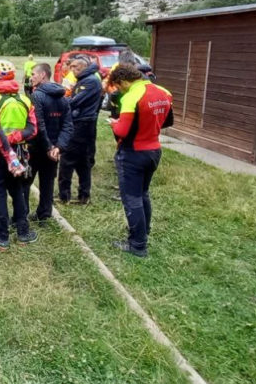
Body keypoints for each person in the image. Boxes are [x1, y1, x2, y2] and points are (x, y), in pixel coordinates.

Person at [107, 64, 174, 258]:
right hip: (154, 150)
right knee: (143, 194)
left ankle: (137, 245)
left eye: (118, 86)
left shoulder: (131, 97)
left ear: (124, 81)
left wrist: (114, 124)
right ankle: (143, 231)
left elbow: (122, 131)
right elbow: (168, 121)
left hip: (133, 153)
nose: (119, 90)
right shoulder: (164, 92)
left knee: (132, 198)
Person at [0, 59, 38, 249]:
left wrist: (8, 155)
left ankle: (2, 237)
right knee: (17, 192)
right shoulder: (25, 99)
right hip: (20, 152)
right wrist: (14, 140)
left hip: (0, 154)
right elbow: (32, 129)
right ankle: (23, 233)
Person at [27, 62, 73, 225]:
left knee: (25, 181)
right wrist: (58, 147)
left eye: (33, 74)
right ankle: (44, 215)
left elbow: (38, 125)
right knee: (48, 182)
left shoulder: (37, 96)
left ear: (42, 75)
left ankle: (22, 215)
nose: (31, 77)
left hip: (36, 148)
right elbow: (67, 125)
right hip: (53, 150)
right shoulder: (63, 96)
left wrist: (49, 147)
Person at [60, 55, 103, 205]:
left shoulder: (90, 81)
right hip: (84, 123)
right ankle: (84, 195)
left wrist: (61, 100)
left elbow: (75, 102)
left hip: (81, 124)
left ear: (84, 67)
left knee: (68, 158)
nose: (72, 70)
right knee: (82, 161)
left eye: (75, 67)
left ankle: (64, 196)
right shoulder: (85, 79)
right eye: (71, 66)